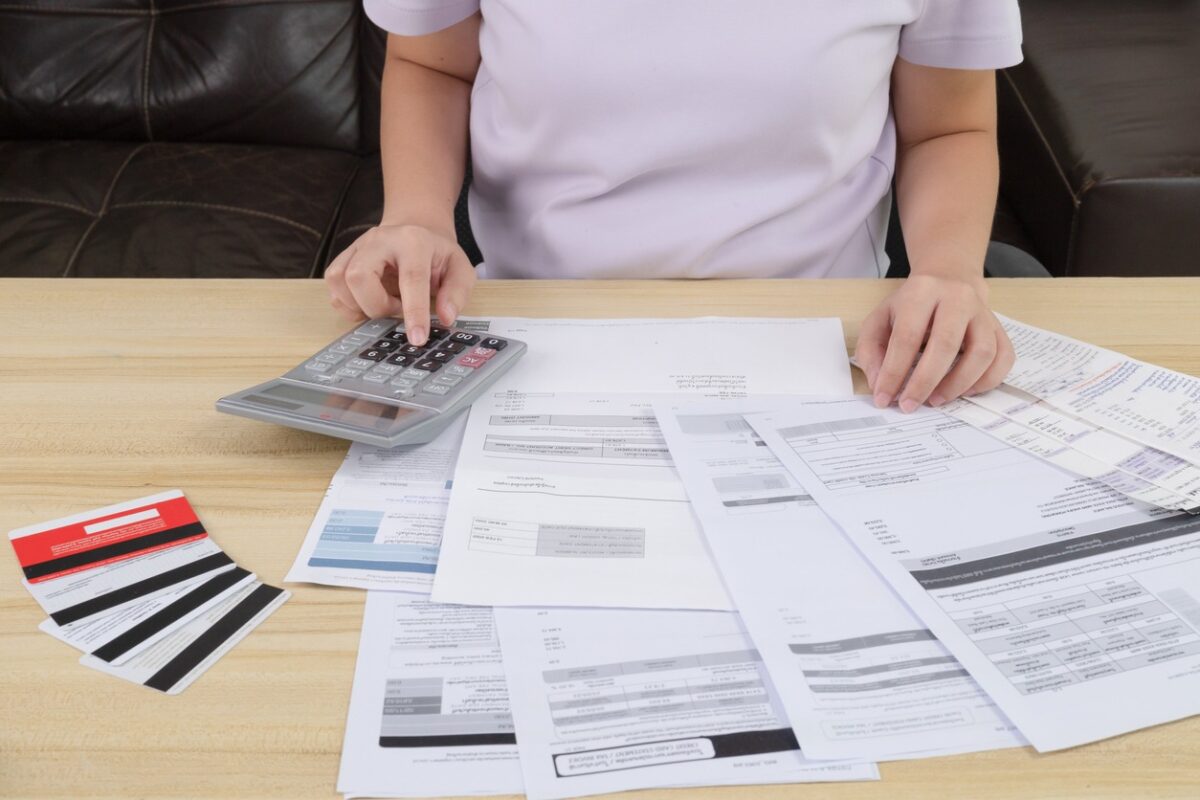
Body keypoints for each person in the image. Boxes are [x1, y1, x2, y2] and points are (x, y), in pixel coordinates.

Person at [325, 1, 1024, 411]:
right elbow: (433, 64)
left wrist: (951, 270)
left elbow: (950, 127)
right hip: (537, 323)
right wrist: (416, 216)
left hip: (828, 345)